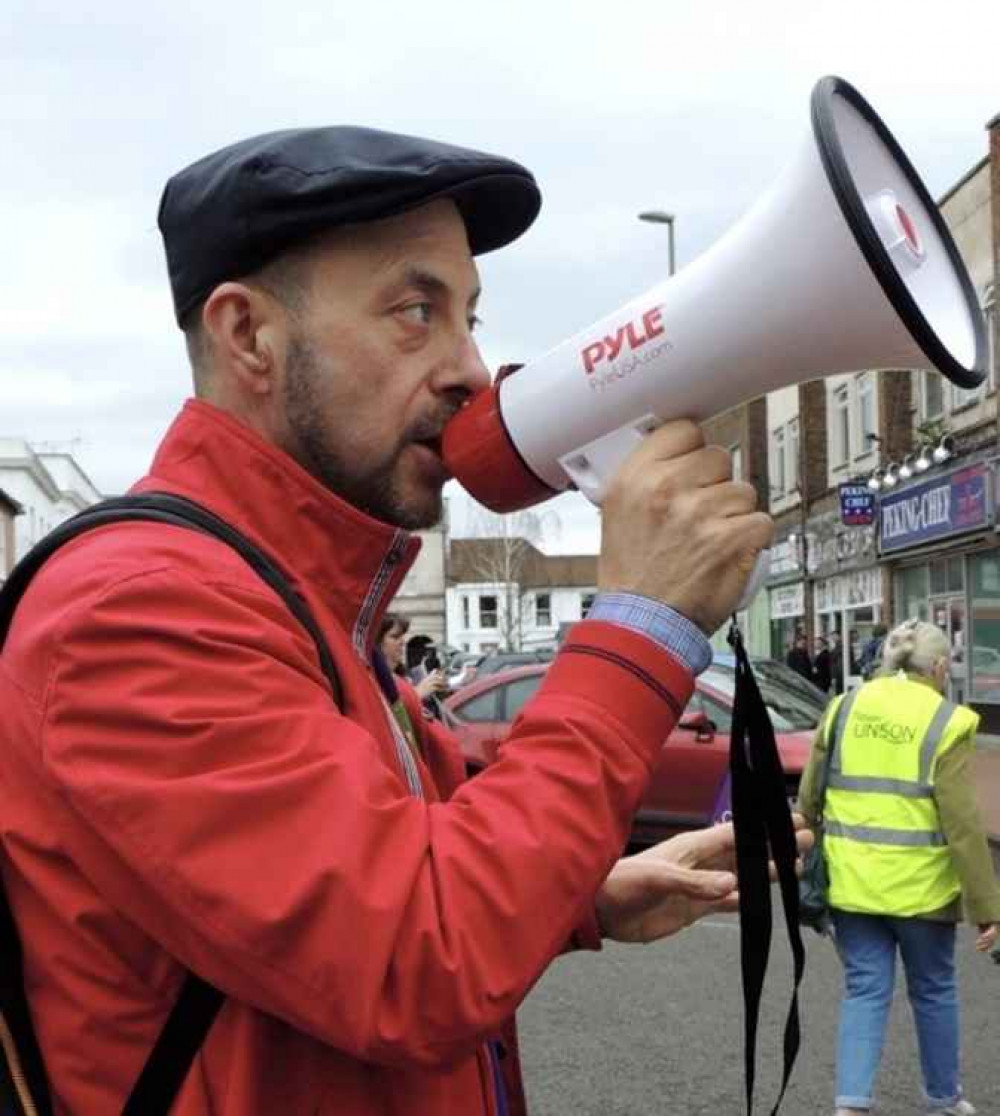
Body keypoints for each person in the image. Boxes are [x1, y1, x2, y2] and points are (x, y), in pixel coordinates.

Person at [0, 126, 780, 1113]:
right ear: (248, 337)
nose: (472, 370)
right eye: (416, 311)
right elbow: (420, 952)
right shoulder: (134, 613)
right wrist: (639, 627)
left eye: (468, 317)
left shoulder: (302, 605)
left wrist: (582, 897)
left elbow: (417, 858)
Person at [797, 619, 1000, 1116]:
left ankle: (851, 1104)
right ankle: (942, 1099)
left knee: (865, 989)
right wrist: (987, 906)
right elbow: (962, 824)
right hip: (922, 891)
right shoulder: (946, 721)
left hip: (851, 886)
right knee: (933, 991)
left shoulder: (844, 707)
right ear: (935, 667)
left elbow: (808, 797)